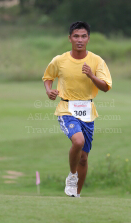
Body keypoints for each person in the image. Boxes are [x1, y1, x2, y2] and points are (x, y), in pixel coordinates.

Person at [42, 21, 112, 197]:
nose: (79, 40)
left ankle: (75, 195)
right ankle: (72, 177)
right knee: (78, 142)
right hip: (66, 108)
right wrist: (49, 90)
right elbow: (48, 77)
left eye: (83, 36)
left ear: (88, 38)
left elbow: (105, 87)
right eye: (76, 36)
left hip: (87, 110)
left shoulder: (97, 61)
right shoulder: (60, 60)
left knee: (84, 158)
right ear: (70, 38)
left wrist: (91, 75)